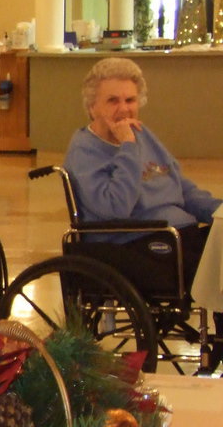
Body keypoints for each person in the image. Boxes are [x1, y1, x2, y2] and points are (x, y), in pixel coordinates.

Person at [63, 57, 220, 288]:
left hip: (178, 234)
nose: (124, 108)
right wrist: (128, 147)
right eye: (113, 101)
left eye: (130, 100)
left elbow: (180, 188)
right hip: (133, 240)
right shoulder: (85, 151)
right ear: (92, 106)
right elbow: (116, 207)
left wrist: (218, 212)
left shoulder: (142, 133)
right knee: (214, 273)